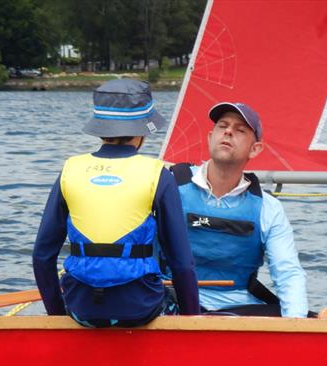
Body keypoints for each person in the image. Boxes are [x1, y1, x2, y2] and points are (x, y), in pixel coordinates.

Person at [33, 78, 199, 327]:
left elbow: (42, 257)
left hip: (81, 308)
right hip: (139, 308)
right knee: (175, 299)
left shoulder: (70, 170)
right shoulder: (158, 174)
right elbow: (182, 263)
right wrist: (193, 322)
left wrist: (58, 316)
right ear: (142, 131)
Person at [170, 102, 308, 317]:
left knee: (304, 317)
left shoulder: (269, 208)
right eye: (222, 126)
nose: (228, 131)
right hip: (170, 301)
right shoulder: (168, 186)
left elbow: (287, 273)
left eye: (240, 130)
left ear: (255, 149)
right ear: (210, 138)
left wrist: (297, 327)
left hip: (236, 310)